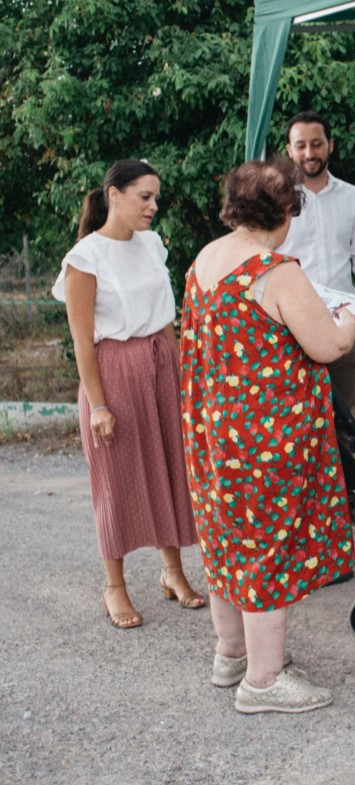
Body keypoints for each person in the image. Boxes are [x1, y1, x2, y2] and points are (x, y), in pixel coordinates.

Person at [181, 158, 355, 713]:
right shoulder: (275, 270)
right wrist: (348, 319)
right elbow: (327, 346)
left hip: (214, 430)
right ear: (284, 211)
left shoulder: (206, 259)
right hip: (266, 438)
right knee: (268, 547)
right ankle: (263, 681)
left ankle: (231, 653)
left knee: (228, 540)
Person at [53, 159, 204, 630]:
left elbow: (166, 317)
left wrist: (183, 380)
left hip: (163, 364)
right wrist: (98, 404)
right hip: (114, 371)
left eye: (156, 197)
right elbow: (82, 340)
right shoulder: (85, 257)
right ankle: (114, 587)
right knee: (116, 480)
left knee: (169, 466)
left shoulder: (152, 244)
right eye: (145, 197)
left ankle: (172, 572)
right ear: (113, 195)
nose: (153, 206)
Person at [278, 109, 355, 537]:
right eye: (300, 145)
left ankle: (344, 507)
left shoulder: (352, 197)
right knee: (299, 425)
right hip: (290, 330)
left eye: (316, 143)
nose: (309, 152)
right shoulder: (278, 198)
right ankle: (304, 520)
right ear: (290, 150)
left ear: (330, 146)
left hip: (344, 326)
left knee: (342, 421)